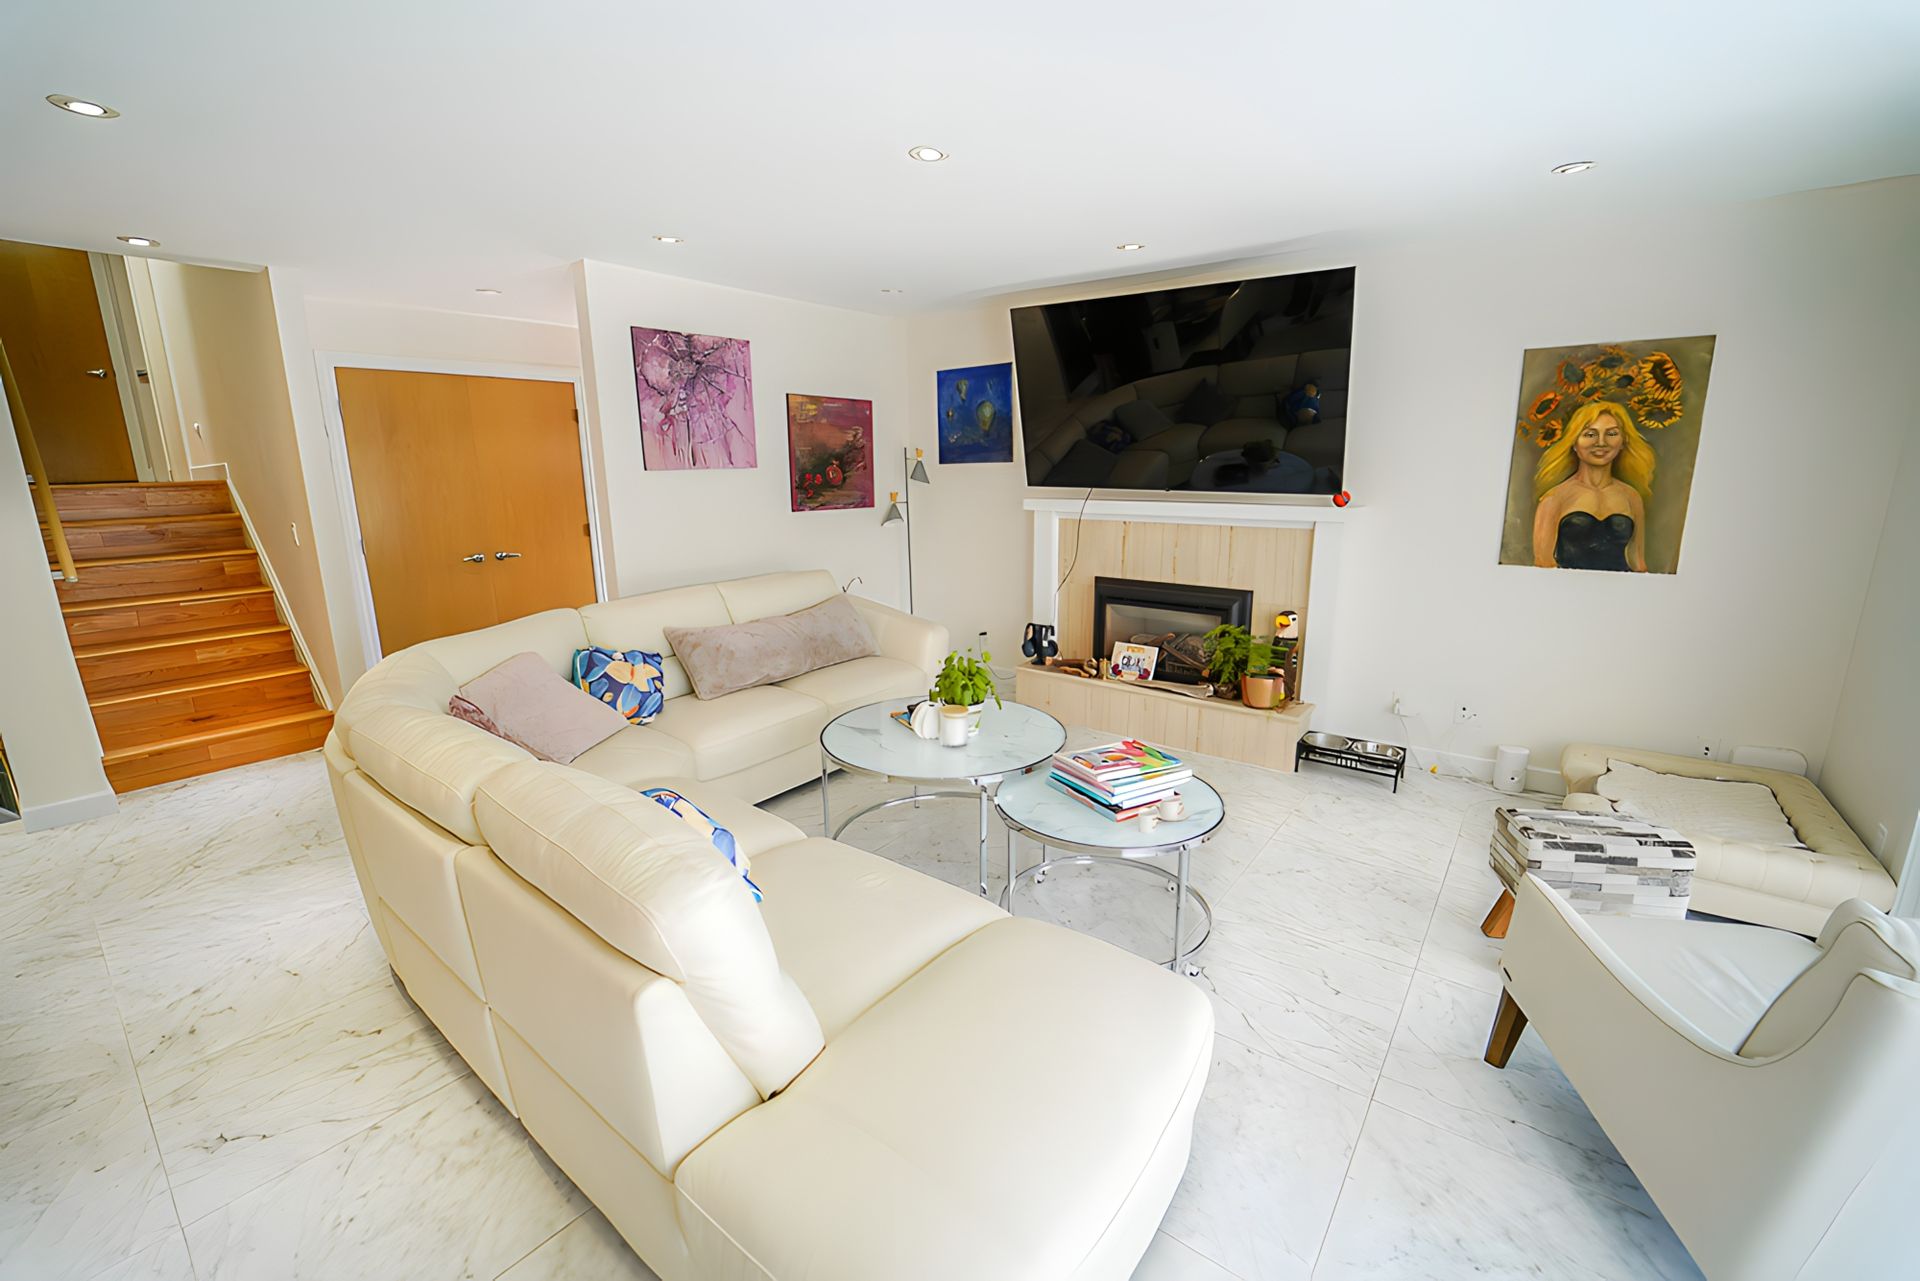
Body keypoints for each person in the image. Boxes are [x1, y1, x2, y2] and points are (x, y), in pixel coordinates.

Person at [1530, 400, 1654, 572]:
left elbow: (1638, 563)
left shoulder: (1631, 497)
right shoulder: (1554, 499)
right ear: (1574, 442)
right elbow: (1543, 564)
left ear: (1623, 441)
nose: (1601, 442)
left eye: (1611, 434)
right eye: (1590, 434)